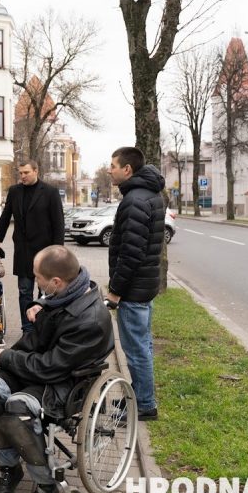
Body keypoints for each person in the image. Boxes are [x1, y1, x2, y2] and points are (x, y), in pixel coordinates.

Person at [0, 245, 113, 493]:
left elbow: (50, 367)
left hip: (65, 381)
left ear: (56, 281)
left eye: (37, 277)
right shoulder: (65, 293)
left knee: (18, 411)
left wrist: (5, 356)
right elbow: (56, 304)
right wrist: (41, 303)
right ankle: (9, 468)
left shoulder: (90, 321)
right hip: (39, 365)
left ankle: (46, 484)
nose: (34, 280)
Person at [106, 146, 165, 421]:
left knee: (136, 349)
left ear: (127, 169)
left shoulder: (134, 201)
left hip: (133, 288)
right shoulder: (150, 194)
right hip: (145, 285)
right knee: (143, 345)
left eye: (113, 165)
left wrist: (116, 291)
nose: (110, 170)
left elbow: (131, 252)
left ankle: (143, 405)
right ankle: (140, 398)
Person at [0, 160, 64, 333]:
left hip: (45, 253)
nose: (22, 176)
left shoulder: (50, 192)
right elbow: (5, 216)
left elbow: (58, 223)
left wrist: (58, 251)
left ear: (36, 171)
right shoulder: (15, 191)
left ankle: (44, 327)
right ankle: (27, 329)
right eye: (20, 173)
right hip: (23, 252)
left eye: (26, 172)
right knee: (24, 291)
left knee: (45, 293)